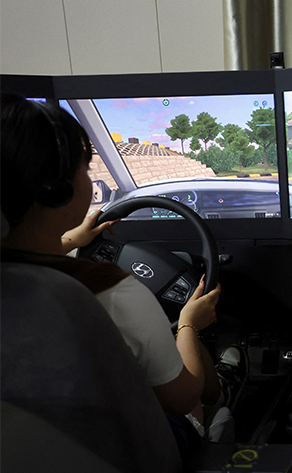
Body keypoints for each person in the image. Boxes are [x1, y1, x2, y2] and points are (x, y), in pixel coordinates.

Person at [0, 94, 225, 446]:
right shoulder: (111, 294)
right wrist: (188, 324)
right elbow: (183, 397)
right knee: (202, 403)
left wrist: (69, 239)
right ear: (58, 192)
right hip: (133, 463)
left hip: (35, 455)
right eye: (86, 170)